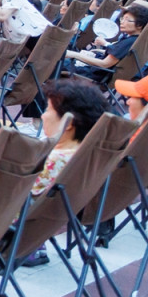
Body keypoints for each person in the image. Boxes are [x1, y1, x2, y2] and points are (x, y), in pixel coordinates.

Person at [20, 78, 111, 266]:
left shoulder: (56, 159)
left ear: (68, 123)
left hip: (11, 230)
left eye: (47, 110)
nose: (43, 116)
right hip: (47, 223)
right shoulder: (86, 155)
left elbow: (20, 194)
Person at [64, 6, 148, 83]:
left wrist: (75, 54)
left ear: (139, 25)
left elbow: (104, 64)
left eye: (127, 20)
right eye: (123, 18)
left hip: (94, 74)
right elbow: (118, 55)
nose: (121, 22)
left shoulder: (129, 42)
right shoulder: (135, 40)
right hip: (97, 72)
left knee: (56, 61)